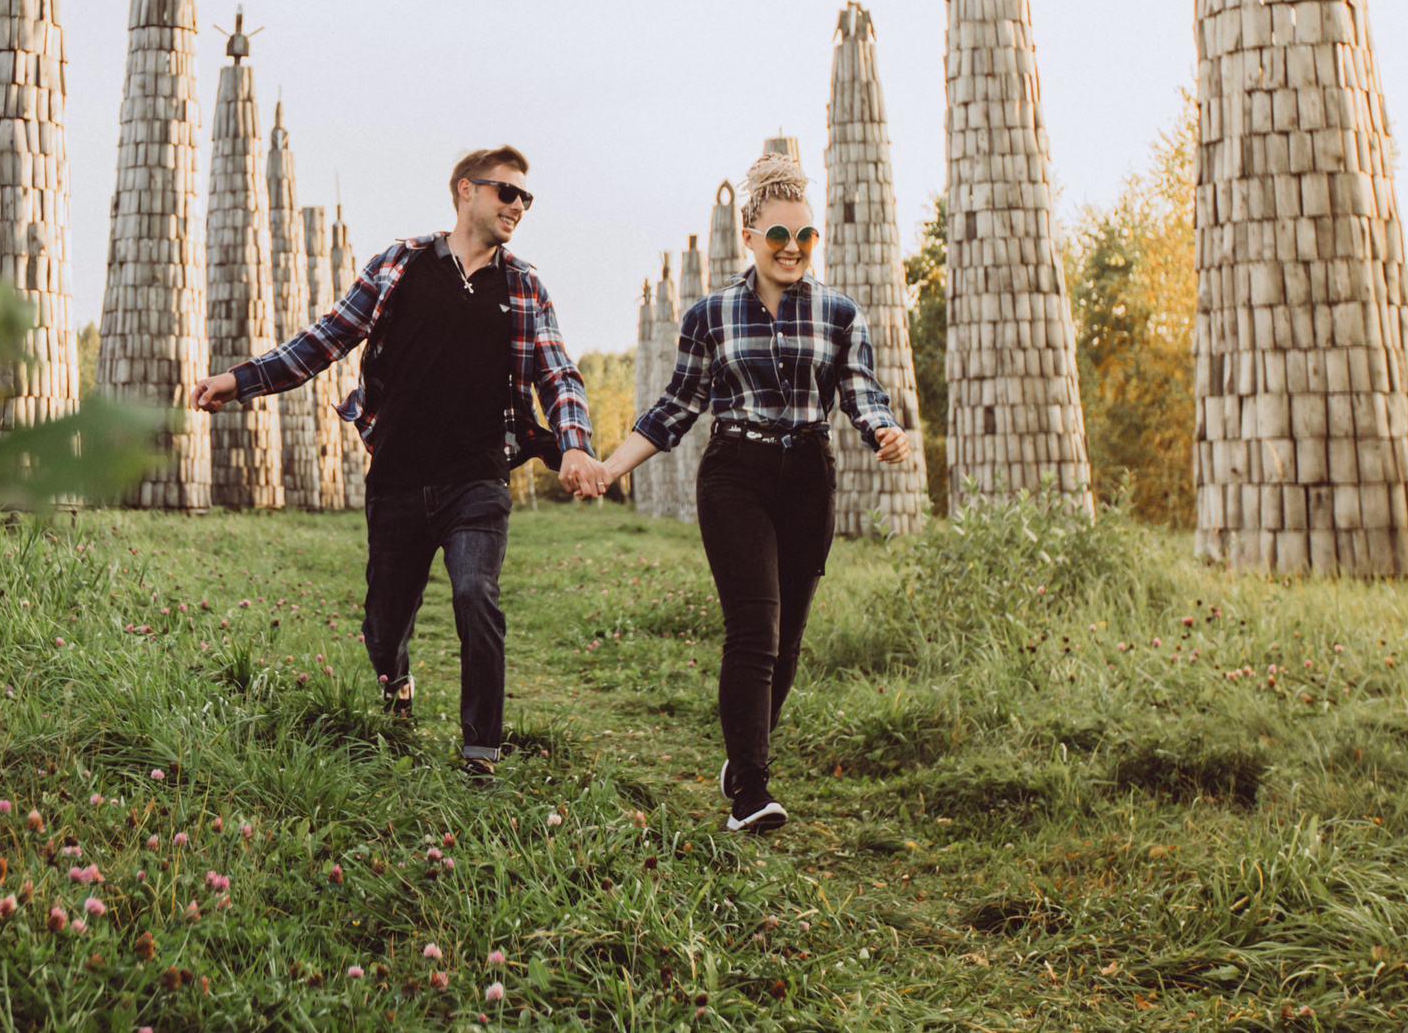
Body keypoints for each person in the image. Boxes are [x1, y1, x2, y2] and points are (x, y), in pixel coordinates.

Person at [193, 145, 598, 781]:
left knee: (476, 594)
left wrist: (573, 442)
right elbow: (323, 339)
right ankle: (396, 683)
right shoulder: (399, 265)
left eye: (525, 198)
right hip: (399, 478)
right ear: (465, 190)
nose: (517, 206)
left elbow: (558, 372)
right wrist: (240, 380)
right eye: (505, 193)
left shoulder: (522, 286)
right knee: (383, 625)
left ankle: (480, 754)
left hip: (477, 480)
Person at [561, 151, 912, 833]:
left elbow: (861, 394)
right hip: (735, 474)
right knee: (755, 628)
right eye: (777, 235)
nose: (792, 249)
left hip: (809, 476)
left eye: (805, 236)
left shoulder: (841, 314)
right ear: (749, 237)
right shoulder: (711, 315)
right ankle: (750, 788)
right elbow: (674, 408)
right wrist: (609, 467)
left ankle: (742, 751)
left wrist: (884, 430)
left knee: (788, 642)